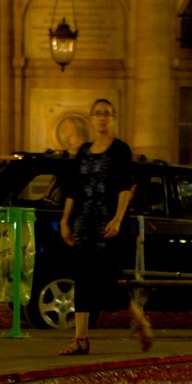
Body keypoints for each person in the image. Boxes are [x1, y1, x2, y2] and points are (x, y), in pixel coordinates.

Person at [57, 98, 154, 356]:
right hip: (84, 225)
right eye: (98, 113)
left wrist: (118, 218)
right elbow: (73, 189)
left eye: (107, 113)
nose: (102, 117)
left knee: (107, 282)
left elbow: (124, 188)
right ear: (91, 118)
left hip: (107, 225)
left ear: (113, 119)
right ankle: (80, 339)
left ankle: (140, 321)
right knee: (82, 279)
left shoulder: (120, 150)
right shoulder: (84, 152)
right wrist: (66, 220)